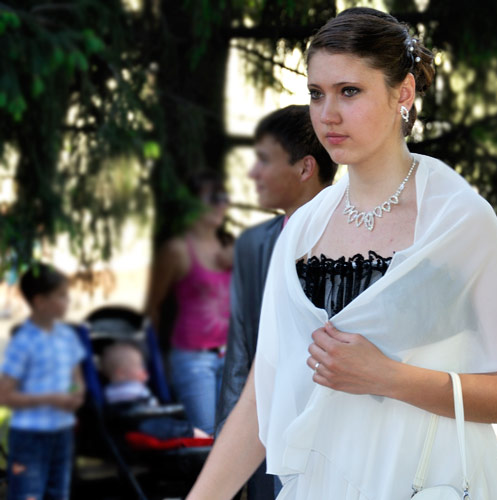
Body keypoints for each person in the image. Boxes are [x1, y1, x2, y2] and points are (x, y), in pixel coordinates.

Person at [188, 8, 497, 500]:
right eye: (316, 94)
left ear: (403, 93)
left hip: (428, 482)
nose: (328, 115)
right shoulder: (303, 230)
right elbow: (262, 394)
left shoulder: (457, 219)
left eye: (350, 91)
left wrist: (391, 378)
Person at [215, 105, 337, 497]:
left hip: (336, 447)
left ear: (305, 168)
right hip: (264, 446)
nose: (253, 173)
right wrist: (227, 456)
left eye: (264, 160)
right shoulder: (253, 246)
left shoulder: (363, 242)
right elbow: (240, 357)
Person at [144, 170, 234, 435]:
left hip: (231, 357)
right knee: (205, 439)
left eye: (224, 197)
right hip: (193, 360)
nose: (221, 204)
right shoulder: (177, 250)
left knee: (232, 438)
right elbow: (153, 306)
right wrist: (156, 360)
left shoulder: (231, 246)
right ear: (191, 203)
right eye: (213, 197)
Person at [0, 263, 86, 500]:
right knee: (27, 493)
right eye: (61, 296)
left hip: (62, 431)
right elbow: (5, 394)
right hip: (30, 435)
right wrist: (50, 399)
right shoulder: (23, 342)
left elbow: (75, 377)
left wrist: (75, 394)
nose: (67, 301)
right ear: (39, 301)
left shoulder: (67, 337)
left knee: (58, 493)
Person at [101, 342, 209, 440]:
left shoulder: (108, 392)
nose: (144, 370)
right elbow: (153, 406)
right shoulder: (137, 389)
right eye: (140, 366)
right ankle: (203, 437)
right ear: (121, 373)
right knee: (184, 427)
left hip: (131, 430)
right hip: (149, 427)